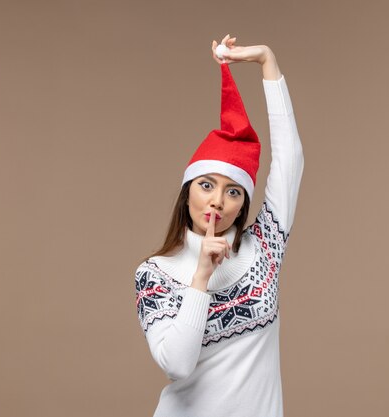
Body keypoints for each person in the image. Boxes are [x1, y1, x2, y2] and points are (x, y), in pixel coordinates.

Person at [134, 34, 304, 417]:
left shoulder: (264, 247)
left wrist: (267, 62)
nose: (216, 200)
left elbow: (290, 159)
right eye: (206, 185)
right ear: (187, 192)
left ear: (243, 203)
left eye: (233, 191)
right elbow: (176, 365)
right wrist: (200, 279)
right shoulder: (154, 274)